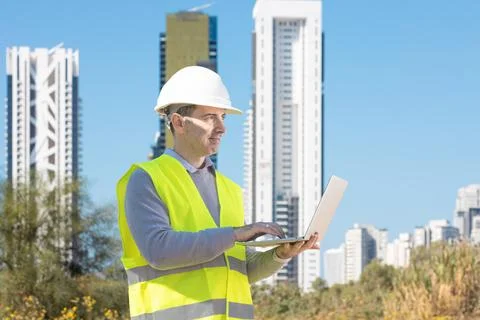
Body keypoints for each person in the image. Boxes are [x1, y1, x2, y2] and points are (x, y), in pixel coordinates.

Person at [117, 66, 319, 320]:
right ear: (179, 122)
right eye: (210, 116)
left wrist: (279, 255)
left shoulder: (230, 190)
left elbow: (237, 269)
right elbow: (159, 250)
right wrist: (234, 234)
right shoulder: (146, 179)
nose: (222, 128)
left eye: (223, 117)